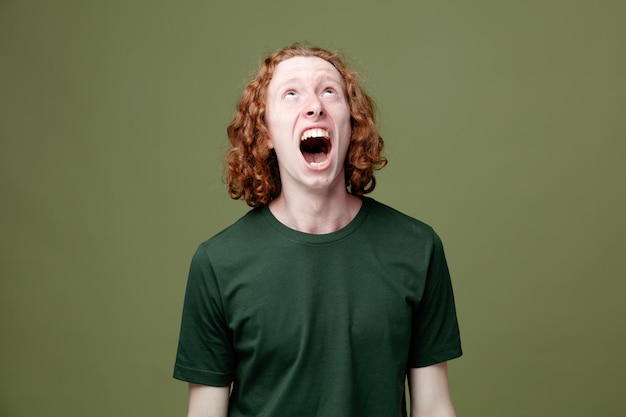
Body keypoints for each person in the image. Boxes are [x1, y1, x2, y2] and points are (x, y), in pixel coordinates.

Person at [173, 43, 462, 417]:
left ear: (351, 124)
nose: (314, 106)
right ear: (266, 134)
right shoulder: (217, 262)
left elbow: (434, 406)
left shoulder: (417, 248)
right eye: (291, 94)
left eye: (329, 91)